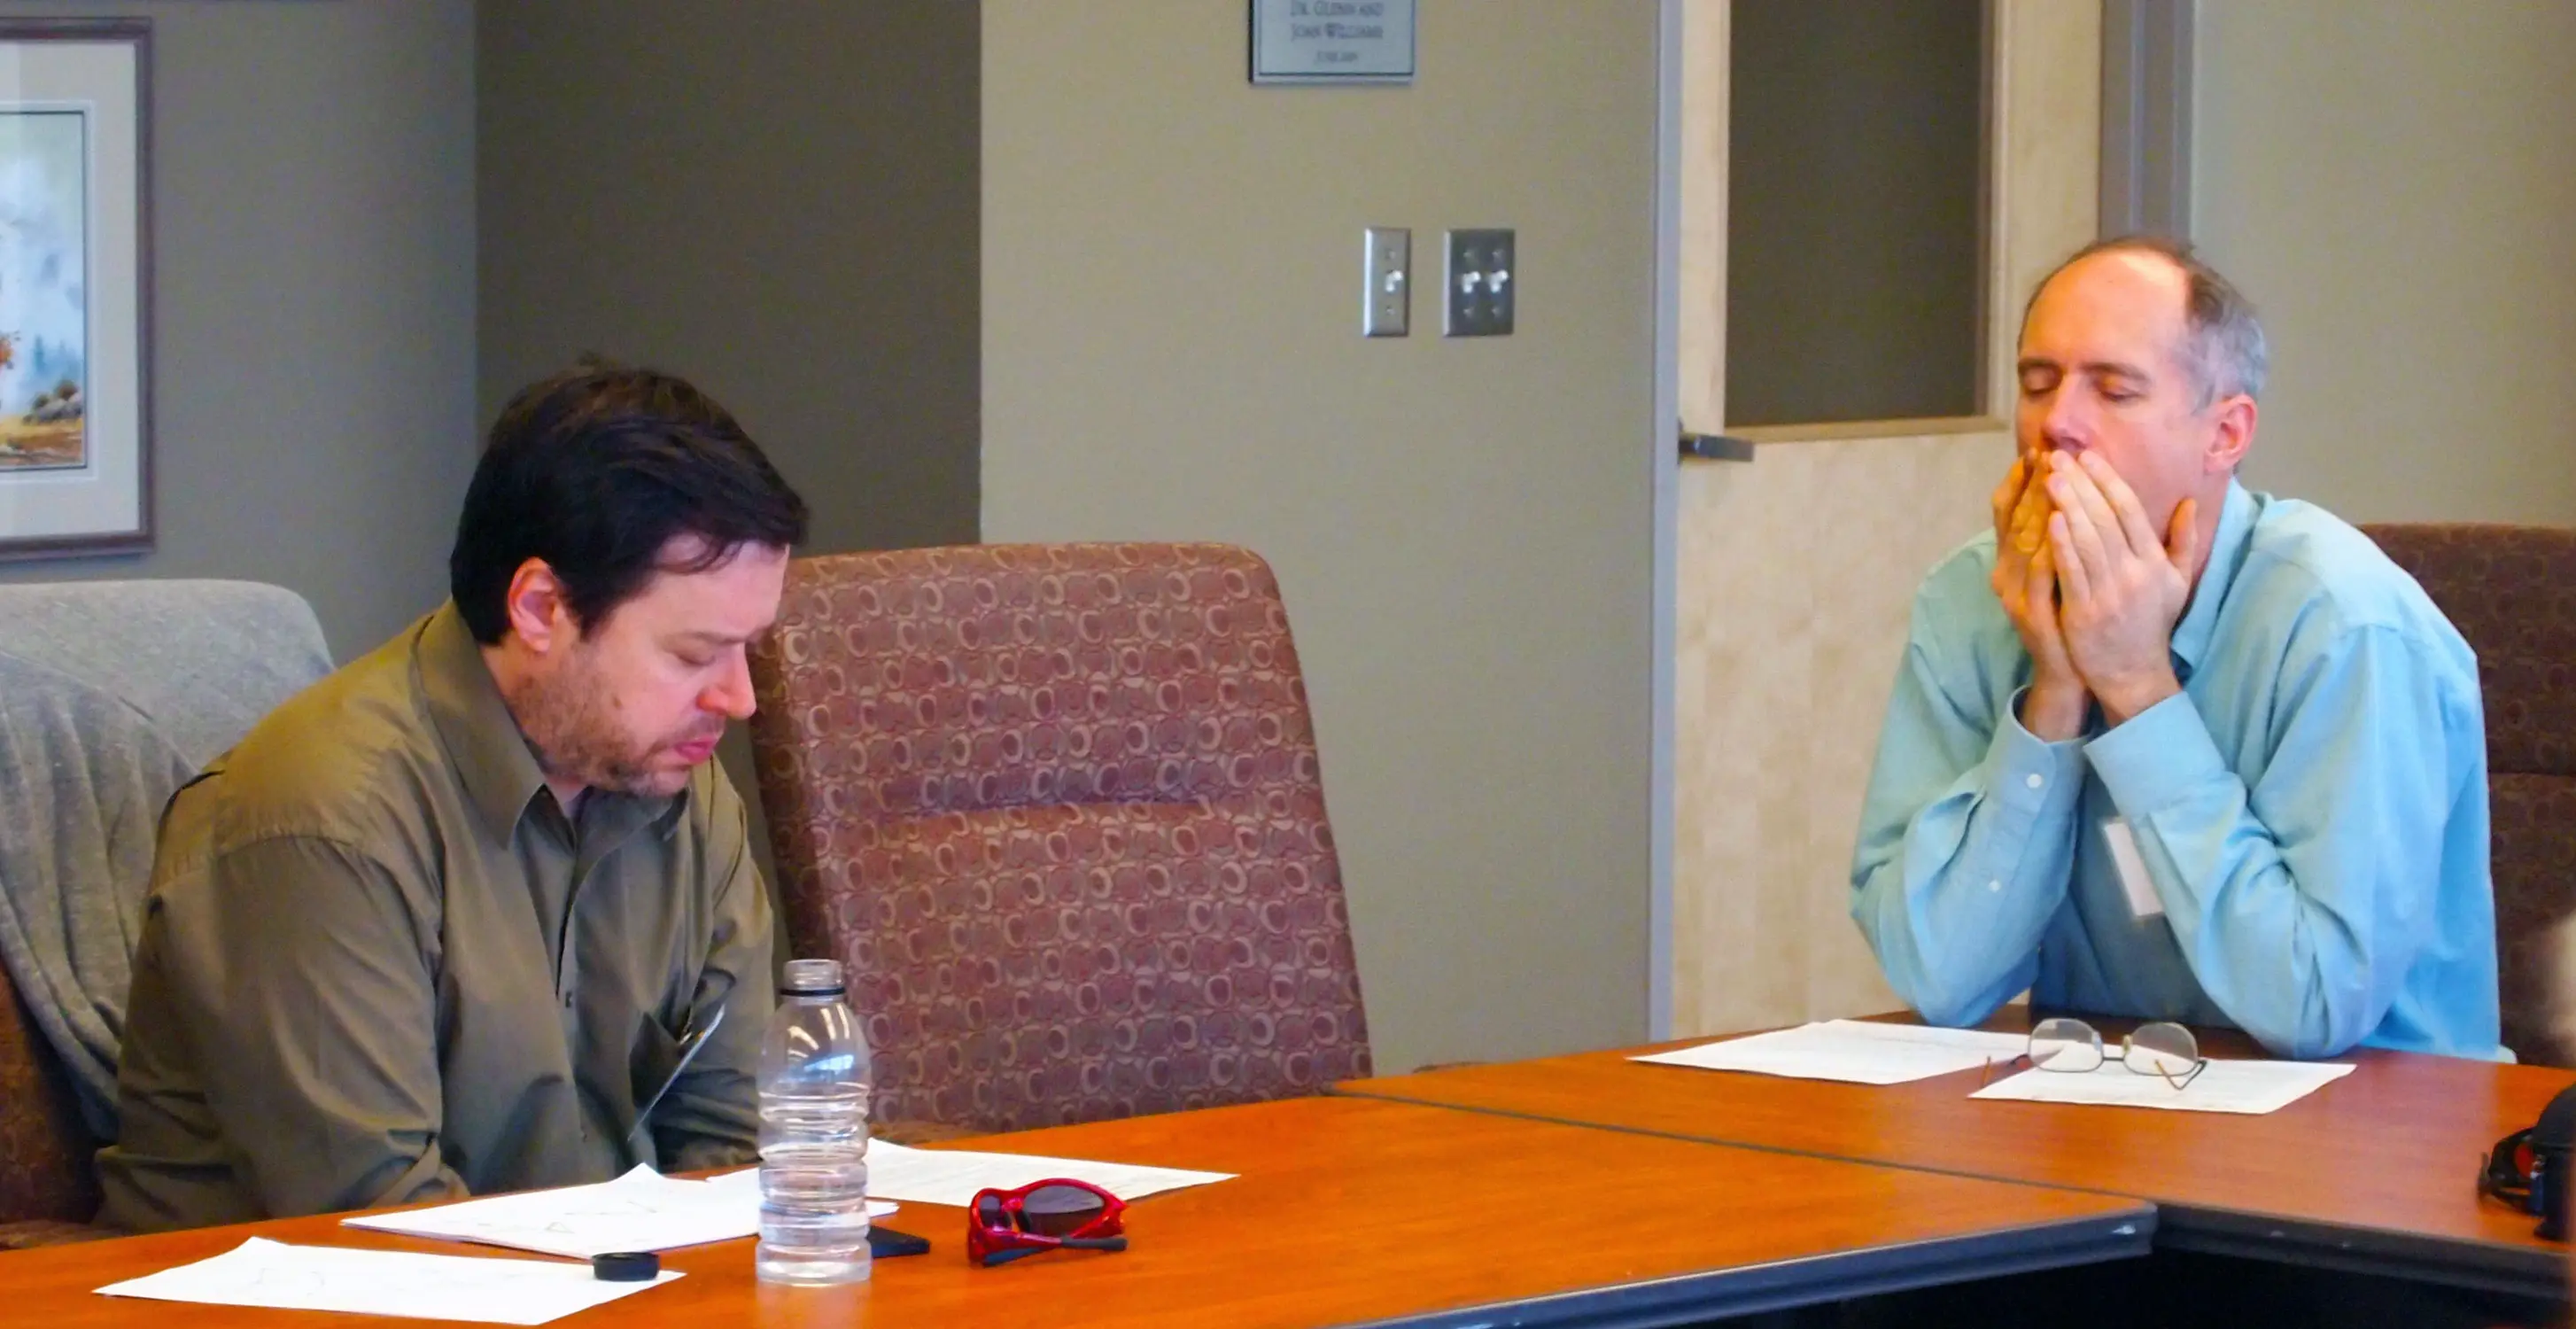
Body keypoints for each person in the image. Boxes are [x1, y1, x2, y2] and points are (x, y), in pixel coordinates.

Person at [97, 361, 810, 1231]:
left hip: (582, 1277)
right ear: (540, 608)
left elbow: (734, 1155)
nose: (740, 698)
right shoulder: (326, 823)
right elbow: (381, 1225)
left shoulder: (675, 783)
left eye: (747, 649)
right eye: (695, 654)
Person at [1849, 236, 2500, 1061]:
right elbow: (1939, 975)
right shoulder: (1970, 600)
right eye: (2038, 383)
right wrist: (2055, 694)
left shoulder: (2347, 625)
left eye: (2114, 390)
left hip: (2371, 1116)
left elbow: (2313, 1004)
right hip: (2100, 1103)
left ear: (2224, 434)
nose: (2057, 425)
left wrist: (2136, 687)